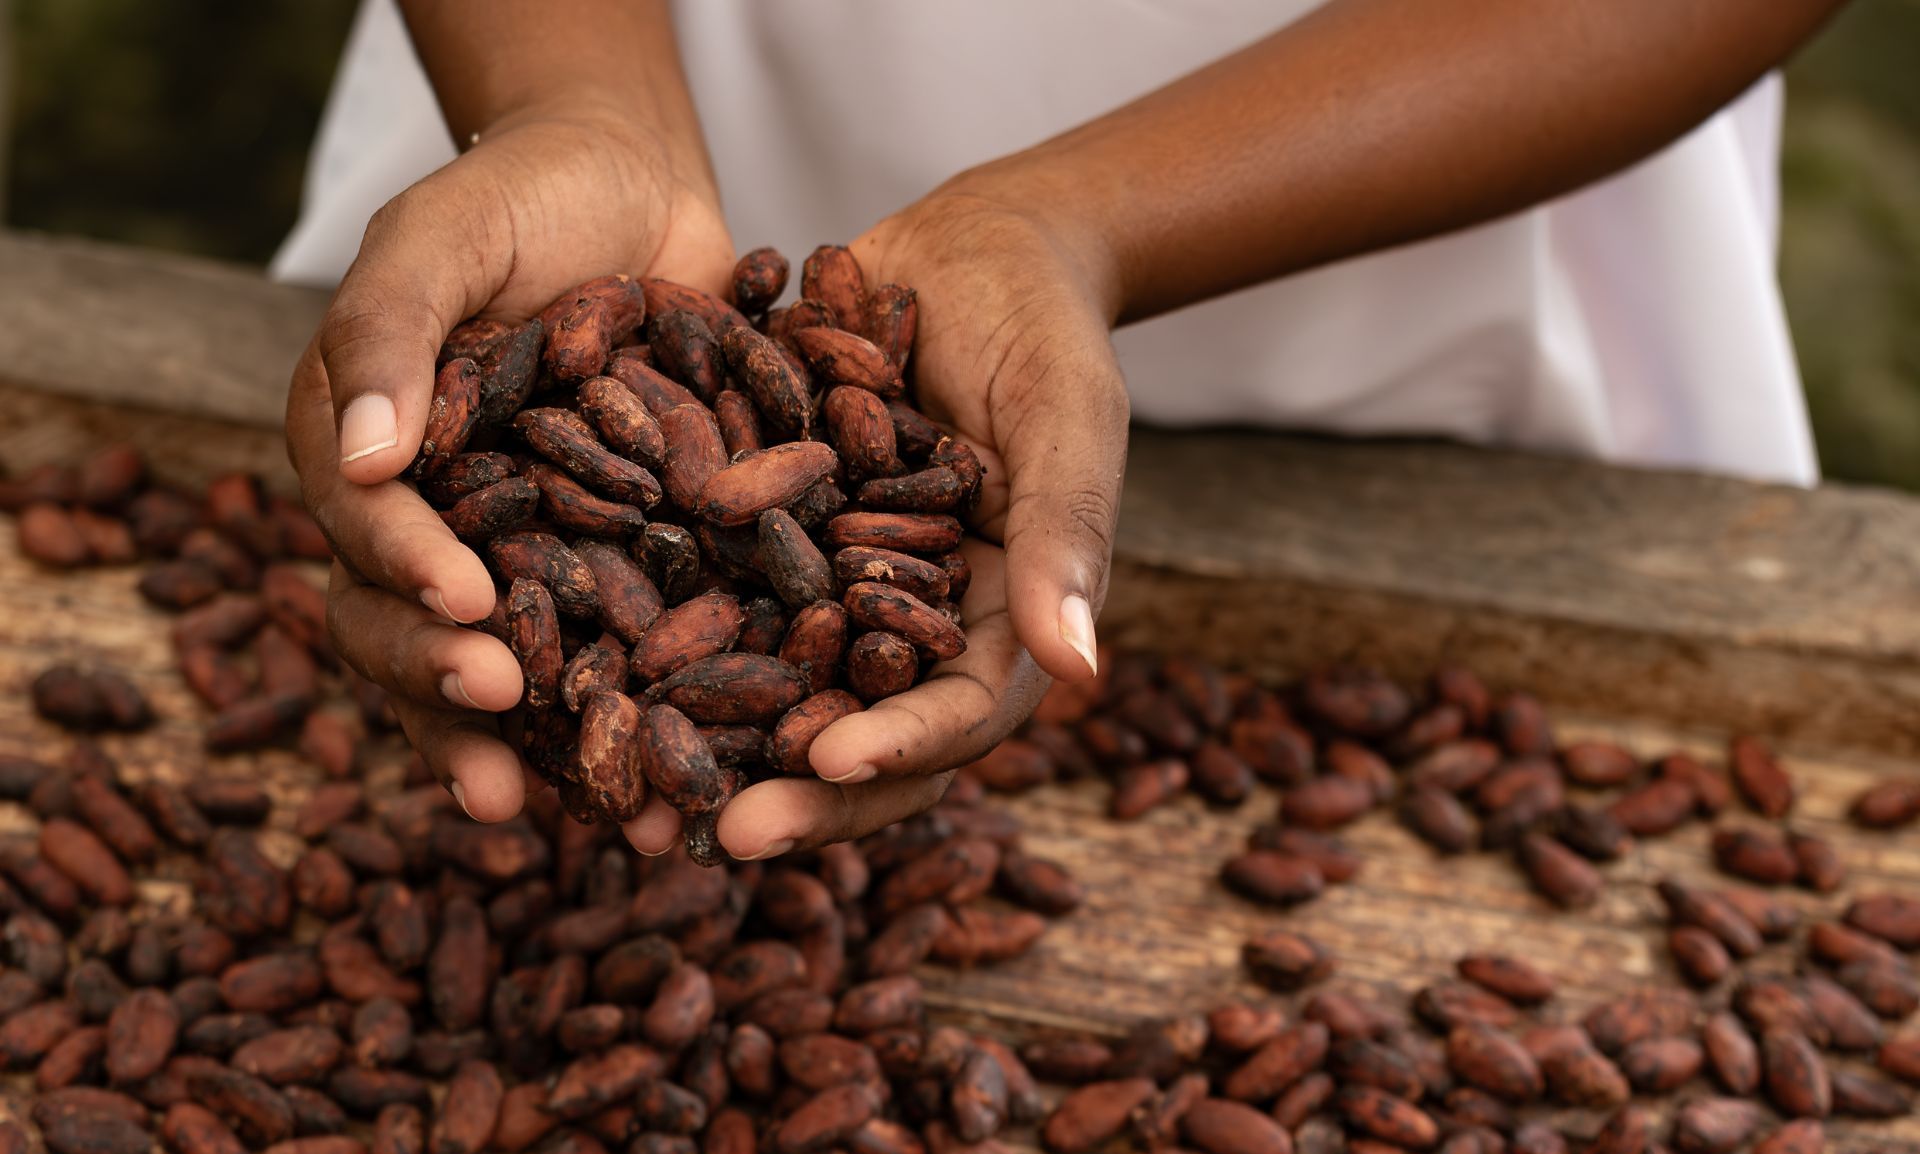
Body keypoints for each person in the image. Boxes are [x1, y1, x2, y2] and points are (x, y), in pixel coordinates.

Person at [280, 0, 1848, 862]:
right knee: (486, 586)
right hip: (620, 63)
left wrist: (1080, 222)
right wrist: (572, 95)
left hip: (1452, 174)